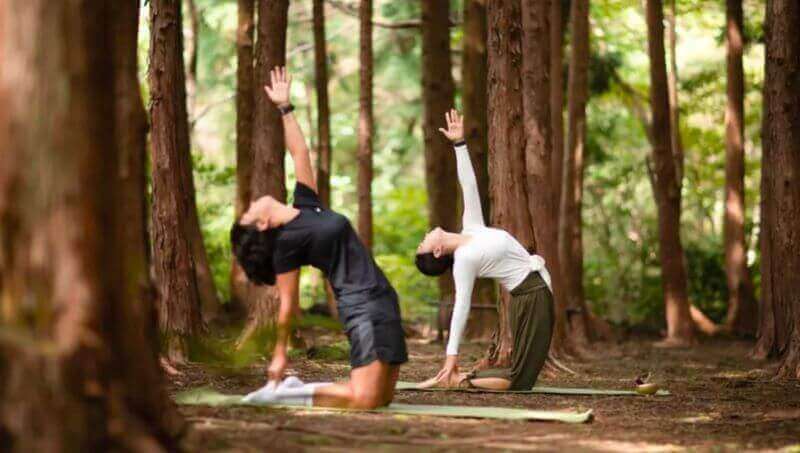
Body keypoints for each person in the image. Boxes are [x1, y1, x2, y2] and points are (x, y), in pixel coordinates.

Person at [232, 67, 406, 409]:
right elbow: (287, 304)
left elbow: (300, 155)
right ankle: (284, 393)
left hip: (384, 297)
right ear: (263, 224)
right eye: (250, 211)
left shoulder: (306, 206)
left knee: (381, 399)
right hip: (360, 306)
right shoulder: (285, 245)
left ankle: (295, 387)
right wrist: (279, 356)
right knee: (366, 400)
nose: (254, 202)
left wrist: (285, 108)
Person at [415, 109, 554, 391]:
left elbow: (469, 185)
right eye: (423, 243)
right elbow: (461, 306)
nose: (425, 235)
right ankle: (457, 380)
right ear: (438, 251)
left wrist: (459, 144)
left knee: (522, 374)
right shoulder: (464, 260)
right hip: (530, 297)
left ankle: (461, 379)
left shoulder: (472, 229)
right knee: (521, 381)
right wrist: (451, 356)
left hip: (532, 295)